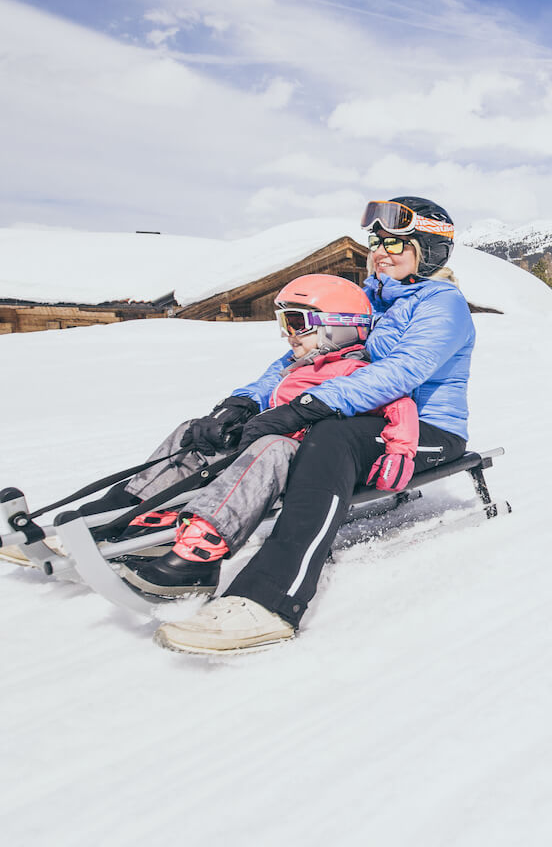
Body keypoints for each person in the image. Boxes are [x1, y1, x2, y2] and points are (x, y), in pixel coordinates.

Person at [154, 196, 475, 654]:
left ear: (427, 250)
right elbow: (298, 359)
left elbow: (403, 371)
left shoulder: (443, 306)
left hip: (423, 431)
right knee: (220, 431)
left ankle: (269, 599)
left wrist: (308, 406)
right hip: (357, 418)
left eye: (397, 244)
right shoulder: (364, 299)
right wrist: (243, 403)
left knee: (329, 437)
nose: (381, 251)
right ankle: (132, 527)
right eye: (376, 242)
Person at [110, 275, 419, 600]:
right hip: (261, 447)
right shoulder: (295, 367)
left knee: (271, 448)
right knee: (195, 431)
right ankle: (142, 512)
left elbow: (400, 407)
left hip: (302, 459)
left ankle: (201, 554)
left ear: (339, 326)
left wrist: (399, 454)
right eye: (284, 323)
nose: (288, 335)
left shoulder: (354, 371)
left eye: (297, 322)